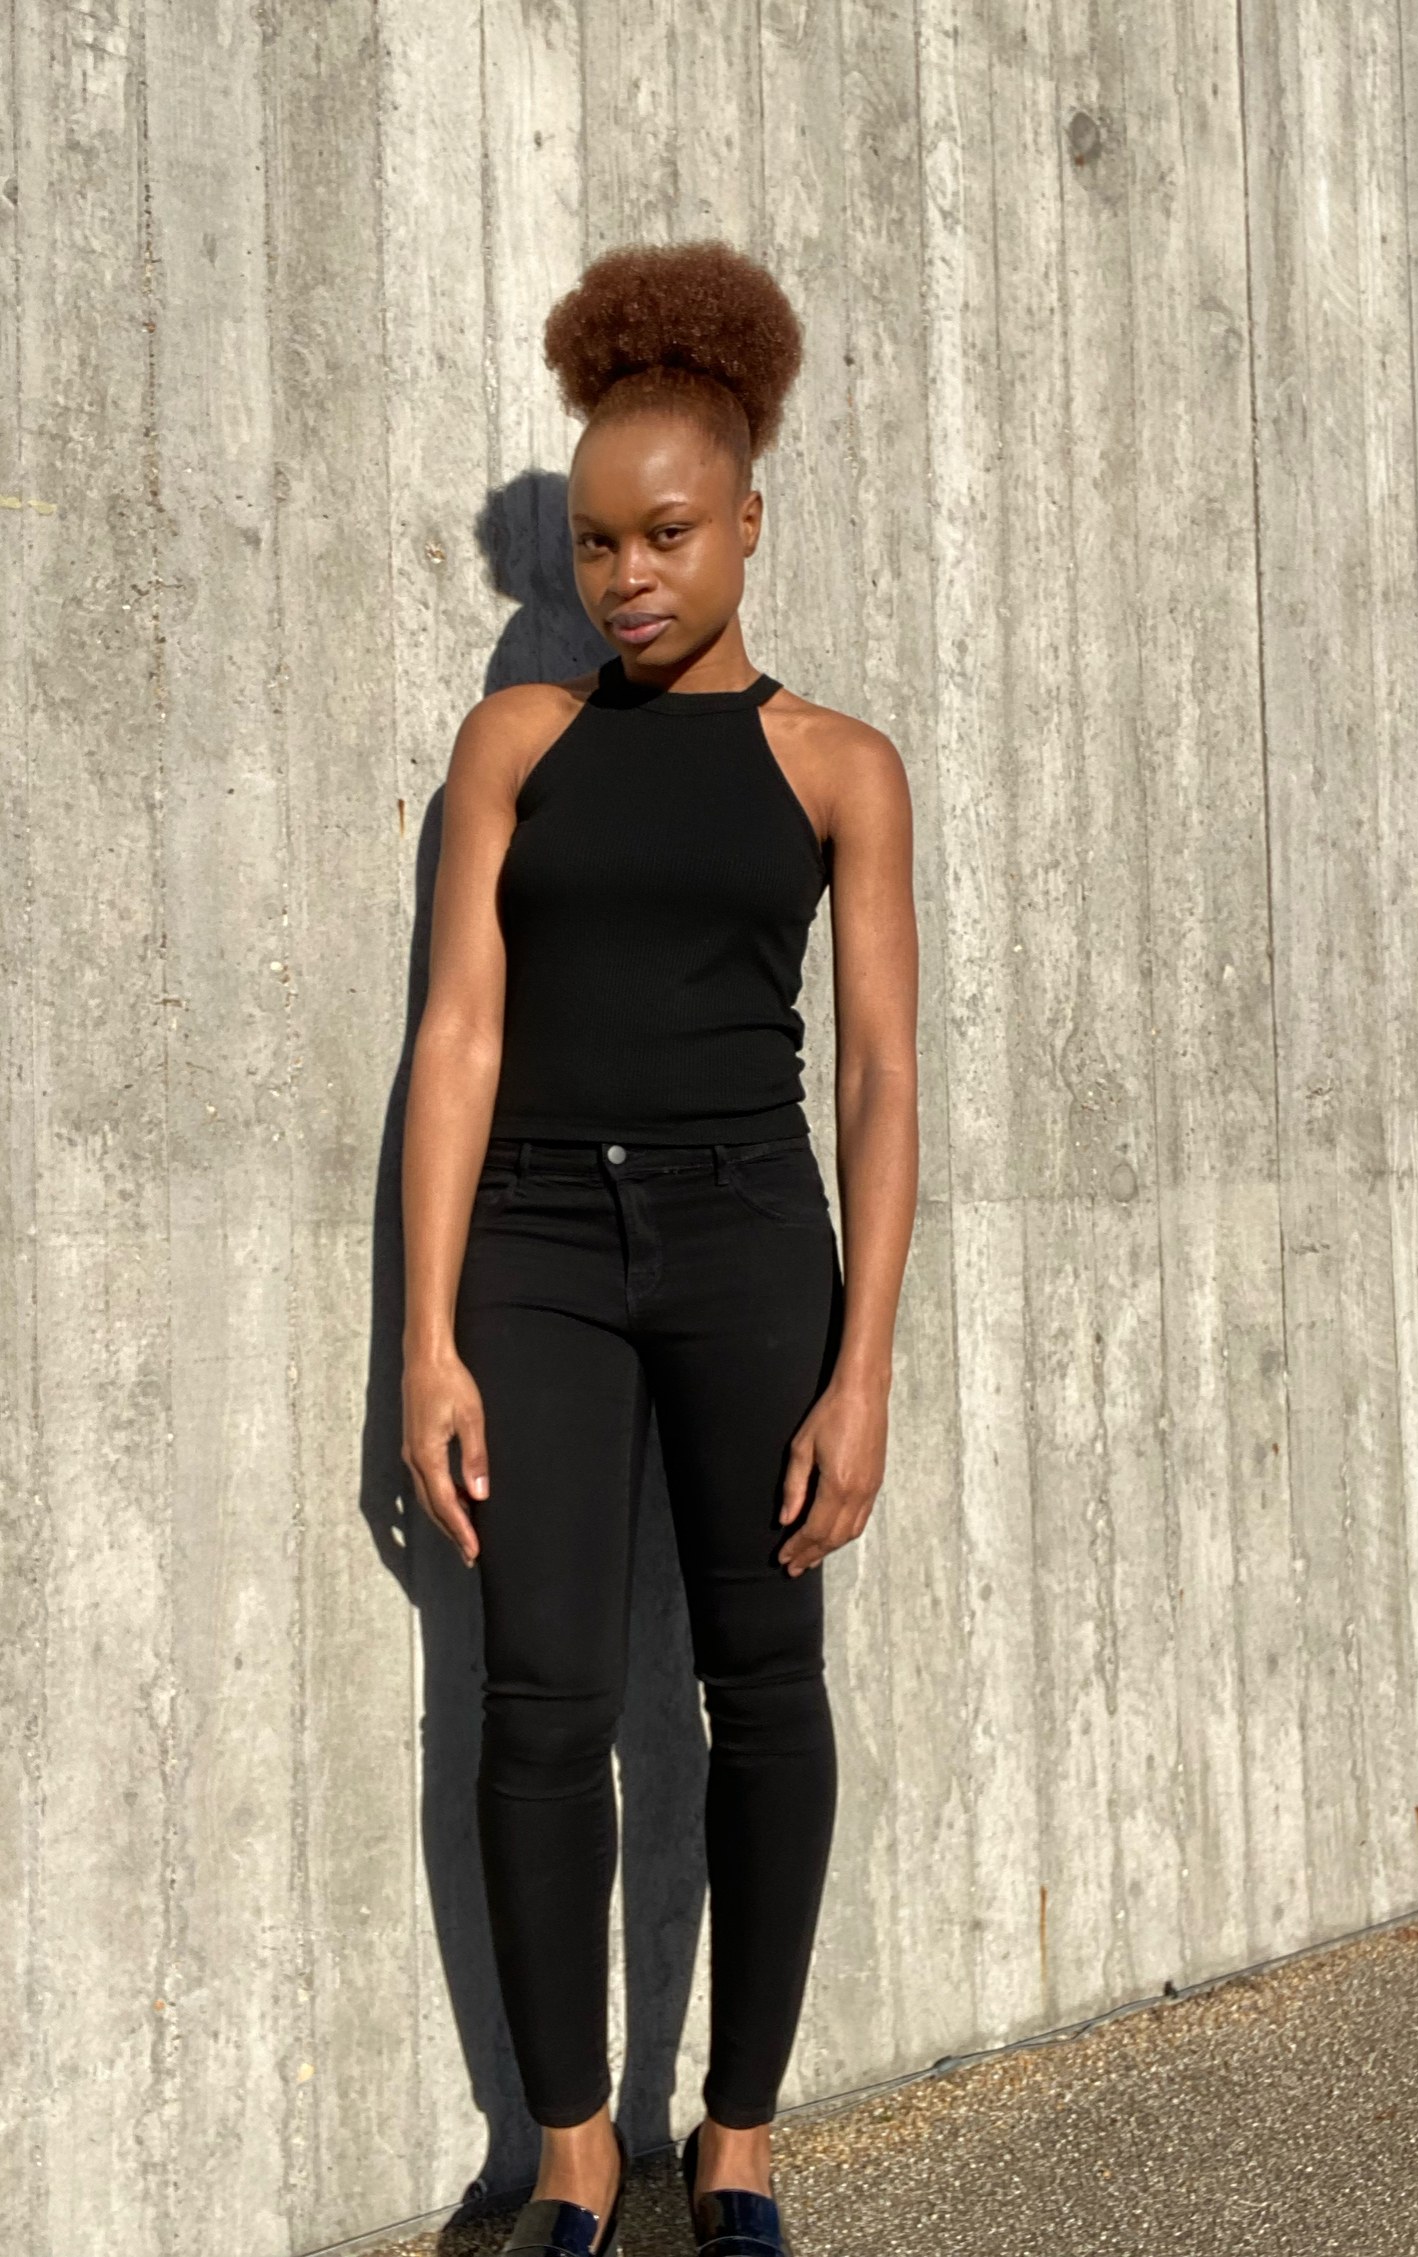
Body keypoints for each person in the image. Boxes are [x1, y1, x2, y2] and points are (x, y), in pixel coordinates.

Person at [399, 239, 918, 2257]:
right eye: (598, 541)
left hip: (745, 1240)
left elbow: (875, 1078)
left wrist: (863, 1367)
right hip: (532, 1242)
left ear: (747, 525)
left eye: (668, 533)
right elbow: (458, 1038)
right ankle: (571, 2155)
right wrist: (428, 1339)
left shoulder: (837, 767)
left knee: (760, 1687)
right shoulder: (514, 743)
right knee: (534, 1699)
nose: (626, 574)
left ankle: (741, 2142)